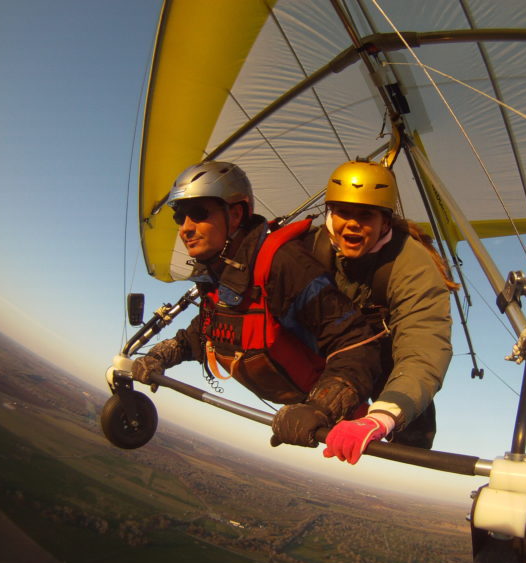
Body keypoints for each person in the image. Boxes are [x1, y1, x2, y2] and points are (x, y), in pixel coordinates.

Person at [132, 160, 383, 451]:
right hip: (297, 397)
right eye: (180, 217)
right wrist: (161, 355)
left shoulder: (281, 263)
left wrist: (321, 407)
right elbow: (207, 328)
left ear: (235, 214)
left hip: (333, 402)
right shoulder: (217, 271)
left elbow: (356, 341)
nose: (185, 228)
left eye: (199, 214)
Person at [308, 160, 457, 465]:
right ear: (330, 215)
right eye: (343, 212)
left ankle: (407, 434)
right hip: (337, 346)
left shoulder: (411, 265)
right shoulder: (312, 248)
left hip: (388, 351)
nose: (352, 224)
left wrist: (383, 416)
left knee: (414, 433)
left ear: (385, 223)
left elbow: (424, 346)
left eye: (366, 215)